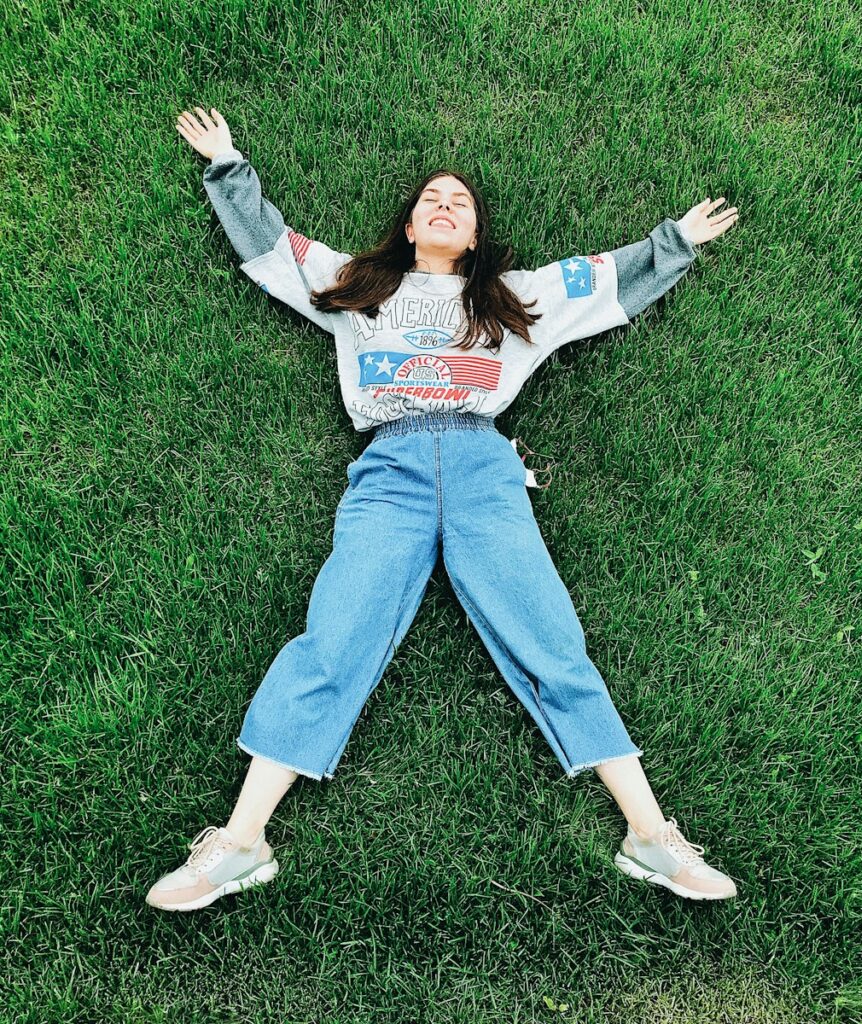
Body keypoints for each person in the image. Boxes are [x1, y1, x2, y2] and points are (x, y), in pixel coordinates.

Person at [146, 106, 741, 912]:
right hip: (388, 470)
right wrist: (227, 166)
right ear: (410, 223)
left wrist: (673, 242)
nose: (445, 203)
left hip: (481, 468)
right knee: (334, 636)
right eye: (432, 196)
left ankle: (649, 835)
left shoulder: (513, 297)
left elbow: (603, 281)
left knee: (552, 640)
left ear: (473, 235)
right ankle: (242, 842)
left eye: (459, 201)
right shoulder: (361, 287)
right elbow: (272, 251)